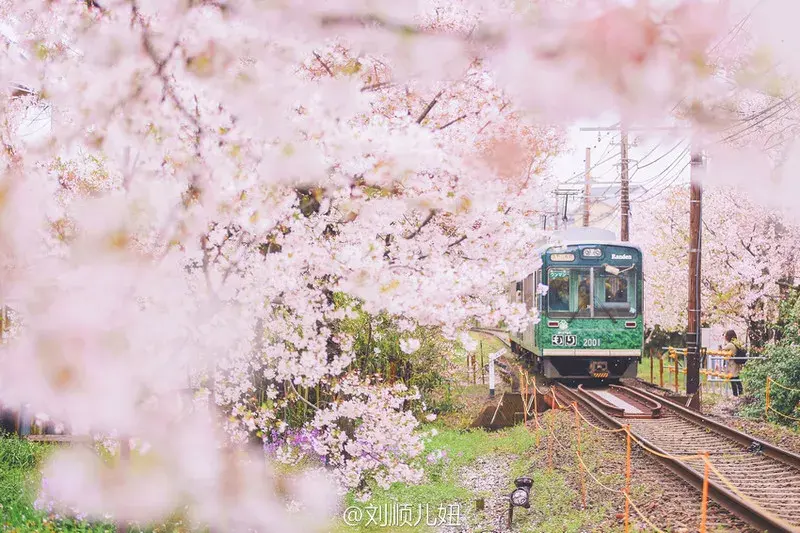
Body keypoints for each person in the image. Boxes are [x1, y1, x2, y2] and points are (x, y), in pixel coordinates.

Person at [722, 330, 744, 397]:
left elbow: (723, 349)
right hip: (735, 363)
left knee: (733, 378)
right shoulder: (735, 343)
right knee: (736, 377)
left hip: (732, 364)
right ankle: (739, 393)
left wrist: (724, 342)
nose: (725, 337)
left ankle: (736, 394)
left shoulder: (730, 344)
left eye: (726, 335)